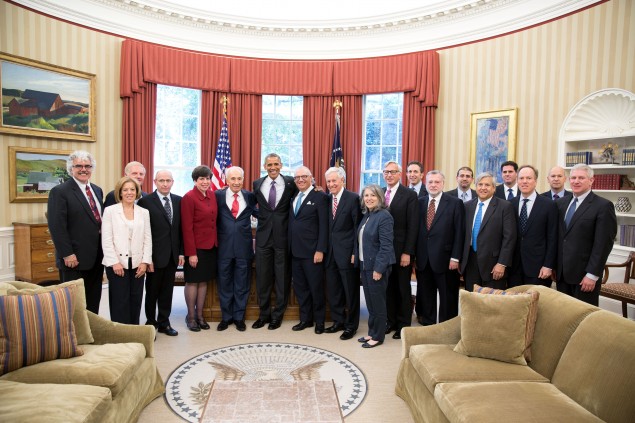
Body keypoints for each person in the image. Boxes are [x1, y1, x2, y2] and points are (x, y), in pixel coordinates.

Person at [47, 150, 104, 314]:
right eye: (78, 166)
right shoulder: (60, 191)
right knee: (73, 303)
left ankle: (92, 330)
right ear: (70, 168)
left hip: (96, 256)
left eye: (87, 166)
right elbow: (57, 226)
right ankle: (73, 335)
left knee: (93, 298)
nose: (83, 169)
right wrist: (67, 254)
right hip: (74, 258)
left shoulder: (96, 190)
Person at [556, 163, 617, 306]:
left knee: (583, 317)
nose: (576, 181)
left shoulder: (603, 206)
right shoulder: (561, 204)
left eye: (581, 178)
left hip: (584, 275)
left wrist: (592, 274)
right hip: (562, 273)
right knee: (562, 314)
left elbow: (603, 244)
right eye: (573, 178)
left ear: (591, 180)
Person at [252, 153, 298, 330]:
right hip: (263, 238)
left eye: (276, 164)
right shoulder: (257, 184)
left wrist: (316, 187)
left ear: (281, 165)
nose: (272, 167)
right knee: (262, 278)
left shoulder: (290, 183)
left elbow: (305, 191)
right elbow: (251, 205)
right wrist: (262, 218)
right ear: (264, 166)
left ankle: (277, 316)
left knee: (282, 278)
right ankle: (264, 315)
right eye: (269, 164)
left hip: (283, 238)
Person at [415, 171, 465, 325]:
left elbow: (460, 232)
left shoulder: (455, 203)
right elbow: (415, 230)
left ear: (443, 184)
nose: (433, 185)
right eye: (430, 182)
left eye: (437, 182)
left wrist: (455, 257)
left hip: (446, 258)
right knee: (426, 295)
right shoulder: (419, 202)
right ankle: (429, 324)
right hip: (423, 258)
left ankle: (447, 326)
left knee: (448, 296)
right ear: (426, 183)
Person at [138, 170, 184, 336]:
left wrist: (181, 253)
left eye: (168, 181)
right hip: (154, 257)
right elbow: (142, 232)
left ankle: (164, 322)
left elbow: (180, 230)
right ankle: (151, 324)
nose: (165, 184)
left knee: (167, 292)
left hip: (172, 256)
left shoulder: (179, 201)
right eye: (162, 180)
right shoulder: (145, 202)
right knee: (152, 292)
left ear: (173, 182)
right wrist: (146, 258)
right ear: (155, 181)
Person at [101, 176, 152, 324]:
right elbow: (107, 240)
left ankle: (133, 331)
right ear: (120, 192)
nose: (129, 192)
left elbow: (147, 239)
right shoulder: (110, 211)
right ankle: (120, 333)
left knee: (136, 299)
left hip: (138, 263)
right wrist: (114, 262)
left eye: (132, 189)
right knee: (119, 300)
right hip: (117, 264)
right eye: (125, 190)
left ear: (137, 192)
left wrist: (145, 261)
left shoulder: (144, 212)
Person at [215, 166, 257, 332]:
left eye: (239, 179)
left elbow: (266, 211)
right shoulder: (217, 196)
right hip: (223, 248)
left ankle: (239, 317)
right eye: (233, 179)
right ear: (226, 180)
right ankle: (226, 317)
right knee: (224, 283)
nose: (236, 182)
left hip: (243, 248)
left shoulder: (250, 196)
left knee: (242, 284)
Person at [354, 184, 395, 348]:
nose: (369, 198)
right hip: (365, 265)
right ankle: (372, 332)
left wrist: (379, 269)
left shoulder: (384, 216)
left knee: (378, 303)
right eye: (366, 195)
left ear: (379, 198)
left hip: (377, 267)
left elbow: (386, 246)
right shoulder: (367, 215)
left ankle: (378, 336)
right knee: (370, 302)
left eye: (373, 195)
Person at [288, 166, 329, 334]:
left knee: (316, 288)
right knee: (301, 289)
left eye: (304, 176)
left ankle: (319, 321)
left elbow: (324, 226)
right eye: (297, 177)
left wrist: (320, 249)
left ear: (312, 178)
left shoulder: (320, 197)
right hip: (295, 252)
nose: (300, 180)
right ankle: (306, 319)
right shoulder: (294, 196)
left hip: (313, 253)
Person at [461, 172, 517, 291]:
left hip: (493, 264)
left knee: (491, 304)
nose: (483, 188)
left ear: (494, 188)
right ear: (475, 187)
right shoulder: (467, 206)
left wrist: (502, 263)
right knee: (472, 301)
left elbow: (509, 237)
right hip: (470, 261)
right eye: (480, 184)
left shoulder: (505, 206)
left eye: (487, 185)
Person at [382, 161, 419, 340]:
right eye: (386, 172)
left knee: (402, 288)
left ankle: (403, 324)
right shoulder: (380, 193)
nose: (389, 175)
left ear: (399, 174)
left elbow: (413, 226)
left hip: (401, 251)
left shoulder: (409, 195)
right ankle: (390, 321)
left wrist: (408, 252)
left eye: (393, 172)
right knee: (388, 288)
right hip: (384, 251)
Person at [324, 167, 361, 340]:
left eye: (334, 181)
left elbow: (357, 228)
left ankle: (351, 325)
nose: (331, 184)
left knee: (350, 291)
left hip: (347, 253)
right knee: (334, 289)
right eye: (329, 181)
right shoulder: (326, 199)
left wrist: (355, 251)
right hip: (330, 252)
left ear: (342, 181)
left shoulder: (353, 198)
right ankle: (338, 321)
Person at [181, 165, 218, 331]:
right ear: (195, 180)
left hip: (211, 246)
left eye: (207, 178)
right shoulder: (189, 197)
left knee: (203, 281)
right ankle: (190, 317)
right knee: (193, 282)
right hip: (196, 248)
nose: (205, 181)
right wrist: (191, 253)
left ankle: (200, 315)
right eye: (201, 179)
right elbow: (186, 228)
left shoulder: (212, 195)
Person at [509, 165, 558, 287]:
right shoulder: (510, 204)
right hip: (513, 267)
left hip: (538, 268)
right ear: (517, 181)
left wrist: (548, 265)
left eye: (529, 178)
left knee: (537, 304)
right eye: (521, 178)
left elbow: (553, 238)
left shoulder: (549, 205)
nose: (524, 181)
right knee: (514, 304)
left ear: (535, 181)